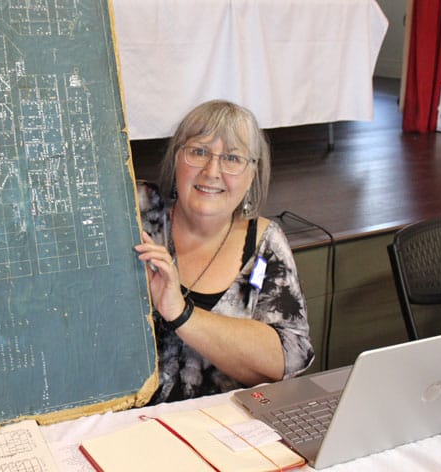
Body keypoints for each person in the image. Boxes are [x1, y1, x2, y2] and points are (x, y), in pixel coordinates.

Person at [134, 100, 314, 403]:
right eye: (198, 152)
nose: (212, 171)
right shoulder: (137, 211)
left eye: (232, 158)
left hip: (222, 421)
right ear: (176, 159)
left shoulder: (265, 246)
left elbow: (288, 358)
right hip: (122, 420)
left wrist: (181, 314)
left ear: (252, 173)